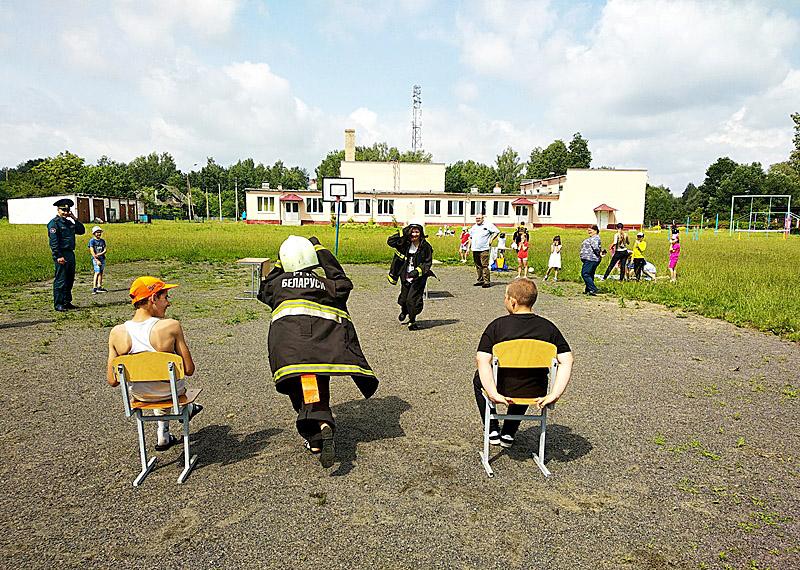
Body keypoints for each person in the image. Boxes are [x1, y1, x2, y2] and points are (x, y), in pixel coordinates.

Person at [258, 235, 378, 468]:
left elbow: (263, 289)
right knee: (315, 388)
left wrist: (281, 263)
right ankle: (319, 430)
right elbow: (343, 281)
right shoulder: (326, 285)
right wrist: (321, 251)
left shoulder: (277, 285)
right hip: (321, 348)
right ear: (312, 260)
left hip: (288, 352)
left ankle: (318, 433)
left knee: (302, 391)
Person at [472, 278, 574, 448]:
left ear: (513, 302)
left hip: (502, 387)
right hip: (535, 390)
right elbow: (567, 360)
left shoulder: (497, 326)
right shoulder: (549, 328)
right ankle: (509, 432)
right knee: (526, 377)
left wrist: (493, 393)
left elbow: (482, 360)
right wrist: (554, 394)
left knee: (478, 380)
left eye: (505, 297)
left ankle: (492, 428)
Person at [106, 276, 201, 451]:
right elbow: (189, 369)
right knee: (167, 385)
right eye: (165, 297)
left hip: (140, 396)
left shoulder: (116, 332)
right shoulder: (171, 326)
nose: (168, 303)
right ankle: (186, 410)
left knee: (155, 385)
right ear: (153, 298)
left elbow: (112, 380)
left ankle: (164, 432)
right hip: (171, 393)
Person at [387, 221, 435, 331]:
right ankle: (404, 311)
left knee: (413, 299)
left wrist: (418, 271)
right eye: (412, 232)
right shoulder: (405, 243)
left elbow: (427, 262)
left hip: (418, 278)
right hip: (405, 275)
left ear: (421, 233)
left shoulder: (425, 246)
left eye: (417, 232)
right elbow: (390, 241)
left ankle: (412, 320)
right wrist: (403, 232)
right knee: (404, 298)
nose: (414, 234)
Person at [47, 198, 86, 312]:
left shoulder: (69, 223)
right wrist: (58, 256)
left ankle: (66, 301)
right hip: (61, 253)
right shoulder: (54, 224)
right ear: (58, 210)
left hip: (70, 253)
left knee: (69, 278)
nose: (65, 212)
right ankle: (58, 303)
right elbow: (54, 242)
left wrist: (74, 218)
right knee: (61, 280)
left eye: (67, 210)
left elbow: (81, 230)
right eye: (63, 210)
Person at [468, 214, 499, 288]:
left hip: (484, 248)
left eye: (479, 218)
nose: (478, 219)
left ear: (483, 218)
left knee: (484, 265)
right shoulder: (473, 227)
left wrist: (491, 239)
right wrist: (468, 248)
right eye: (476, 218)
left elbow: (497, 231)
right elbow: (470, 237)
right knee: (478, 265)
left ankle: (486, 281)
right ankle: (480, 280)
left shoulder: (488, 225)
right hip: (475, 249)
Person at [579, 225, 603, 295]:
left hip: (591, 259)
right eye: (588, 230)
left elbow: (596, 248)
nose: (588, 231)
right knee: (590, 274)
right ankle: (588, 290)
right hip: (590, 259)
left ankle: (593, 289)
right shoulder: (593, 238)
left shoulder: (595, 238)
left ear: (595, 231)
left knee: (585, 273)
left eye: (590, 230)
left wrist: (599, 253)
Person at [88, 226, 108, 294]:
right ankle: (94, 287)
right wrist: (96, 260)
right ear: (94, 233)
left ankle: (99, 286)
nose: (99, 233)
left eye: (99, 232)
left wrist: (100, 254)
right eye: (97, 232)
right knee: (97, 272)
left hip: (102, 258)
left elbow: (105, 250)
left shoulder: (102, 241)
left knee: (101, 272)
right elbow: (92, 251)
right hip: (96, 259)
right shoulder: (92, 241)